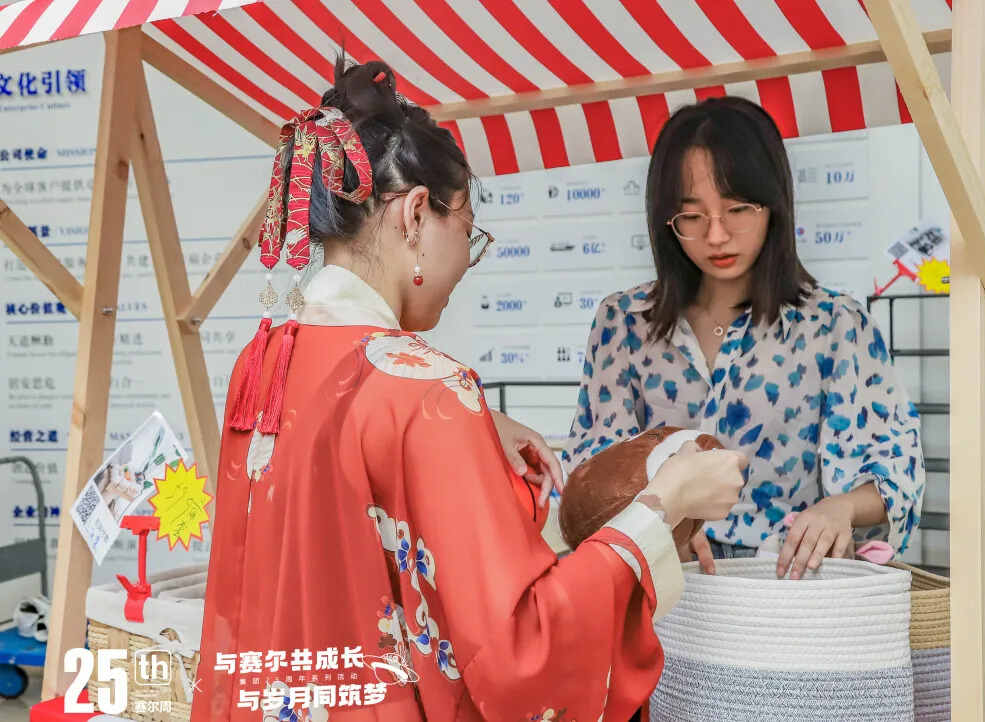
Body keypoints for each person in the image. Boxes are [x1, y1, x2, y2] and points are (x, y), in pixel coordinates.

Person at [192, 59, 748, 721]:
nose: (466, 259)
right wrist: (666, 501)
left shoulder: (263, 364)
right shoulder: (429, 392)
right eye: (467, 231)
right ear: (416, 214)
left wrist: (475, 424)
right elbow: (522, 655)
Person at [563, 97, 925, 580]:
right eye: (691, 217)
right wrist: (665, 513)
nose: (716, 236)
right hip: (660, 584)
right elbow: (593, 471)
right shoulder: (624, 322)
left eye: (737, 209)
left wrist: (839, 508)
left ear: (774, 205)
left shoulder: (836, 325)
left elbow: (895, 466)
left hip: (785, 587)